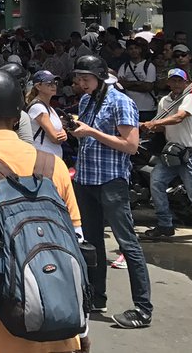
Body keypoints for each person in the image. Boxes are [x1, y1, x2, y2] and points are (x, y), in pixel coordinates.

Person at [0, 69, 86, 353]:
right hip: (59, 331)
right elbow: (76, 247)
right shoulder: (52, 165)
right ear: (18, 115)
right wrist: (82, 328)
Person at [68, 54, 152, 330]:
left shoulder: (121, 102)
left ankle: (142, 308)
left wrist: (91, 132)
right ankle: (96, 297)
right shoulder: (86, 100)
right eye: (79, 79)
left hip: (111, 181)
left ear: (101, 78)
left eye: (86, 79)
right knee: (91, 243)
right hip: (87, 179)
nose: (81, 84)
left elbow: (130, 145)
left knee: (127, 243)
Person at [140, 68, 192, 245]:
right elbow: (163, 127)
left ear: (186, 82)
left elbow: (179, 117)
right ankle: (165, 225)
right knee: (156, 183)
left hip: (189, 154)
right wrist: (148, 127)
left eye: (179, 81)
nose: (176, 84)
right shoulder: (164, 101)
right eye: (173, 81)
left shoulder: (190, 98)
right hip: (170, 153)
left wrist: (154, 122)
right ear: (168, 82)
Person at [27, 70, 67, 159]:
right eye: (49, 83)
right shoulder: (38, 108)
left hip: (52, 158)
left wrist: (63, 133)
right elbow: (55, 138)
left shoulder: (49, 108)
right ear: (38, 86)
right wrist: (63, 136)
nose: (53, 86)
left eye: (55, 83)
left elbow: (59, 131)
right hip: (43, 159)